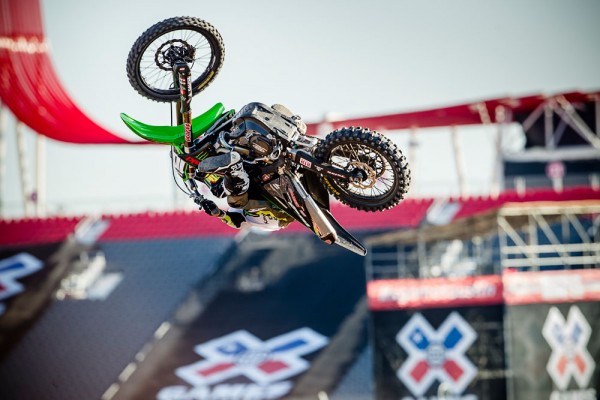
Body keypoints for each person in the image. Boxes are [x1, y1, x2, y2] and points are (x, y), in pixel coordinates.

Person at [195, 150, 294, 231]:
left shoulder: (245, 219)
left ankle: (230, 167)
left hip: (251, 178)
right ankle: (235, 168)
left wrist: (218, 213)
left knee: (222, 194)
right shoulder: (272, 225)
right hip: (277, 187)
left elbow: (235, 222)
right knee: (234, 202)